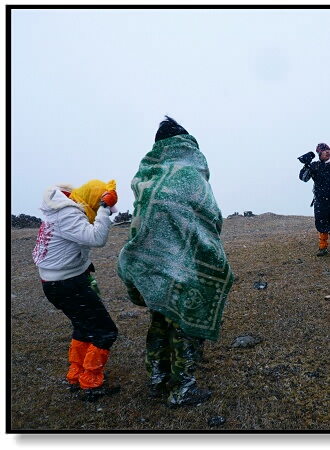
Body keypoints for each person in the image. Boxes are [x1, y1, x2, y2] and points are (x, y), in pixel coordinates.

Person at [117, 116, 234, 408]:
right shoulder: (190, 175)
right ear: (185, 142)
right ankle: (183, 388)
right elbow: (211, 216)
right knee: (186, 323)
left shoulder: (150, 175)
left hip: (154, 264)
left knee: (160, 317)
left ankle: (157, 377)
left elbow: (141, 219)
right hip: (187, 266)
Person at [32, 179, 120, 402]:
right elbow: (96, 238)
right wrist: (103, 210)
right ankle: (90, 382)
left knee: (83, 327)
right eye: (101, 204)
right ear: (93, 200)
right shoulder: (68, 214)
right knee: (104, 331)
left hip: (58, 282)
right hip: (66, 283)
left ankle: (75, 375)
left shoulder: (63, 210)